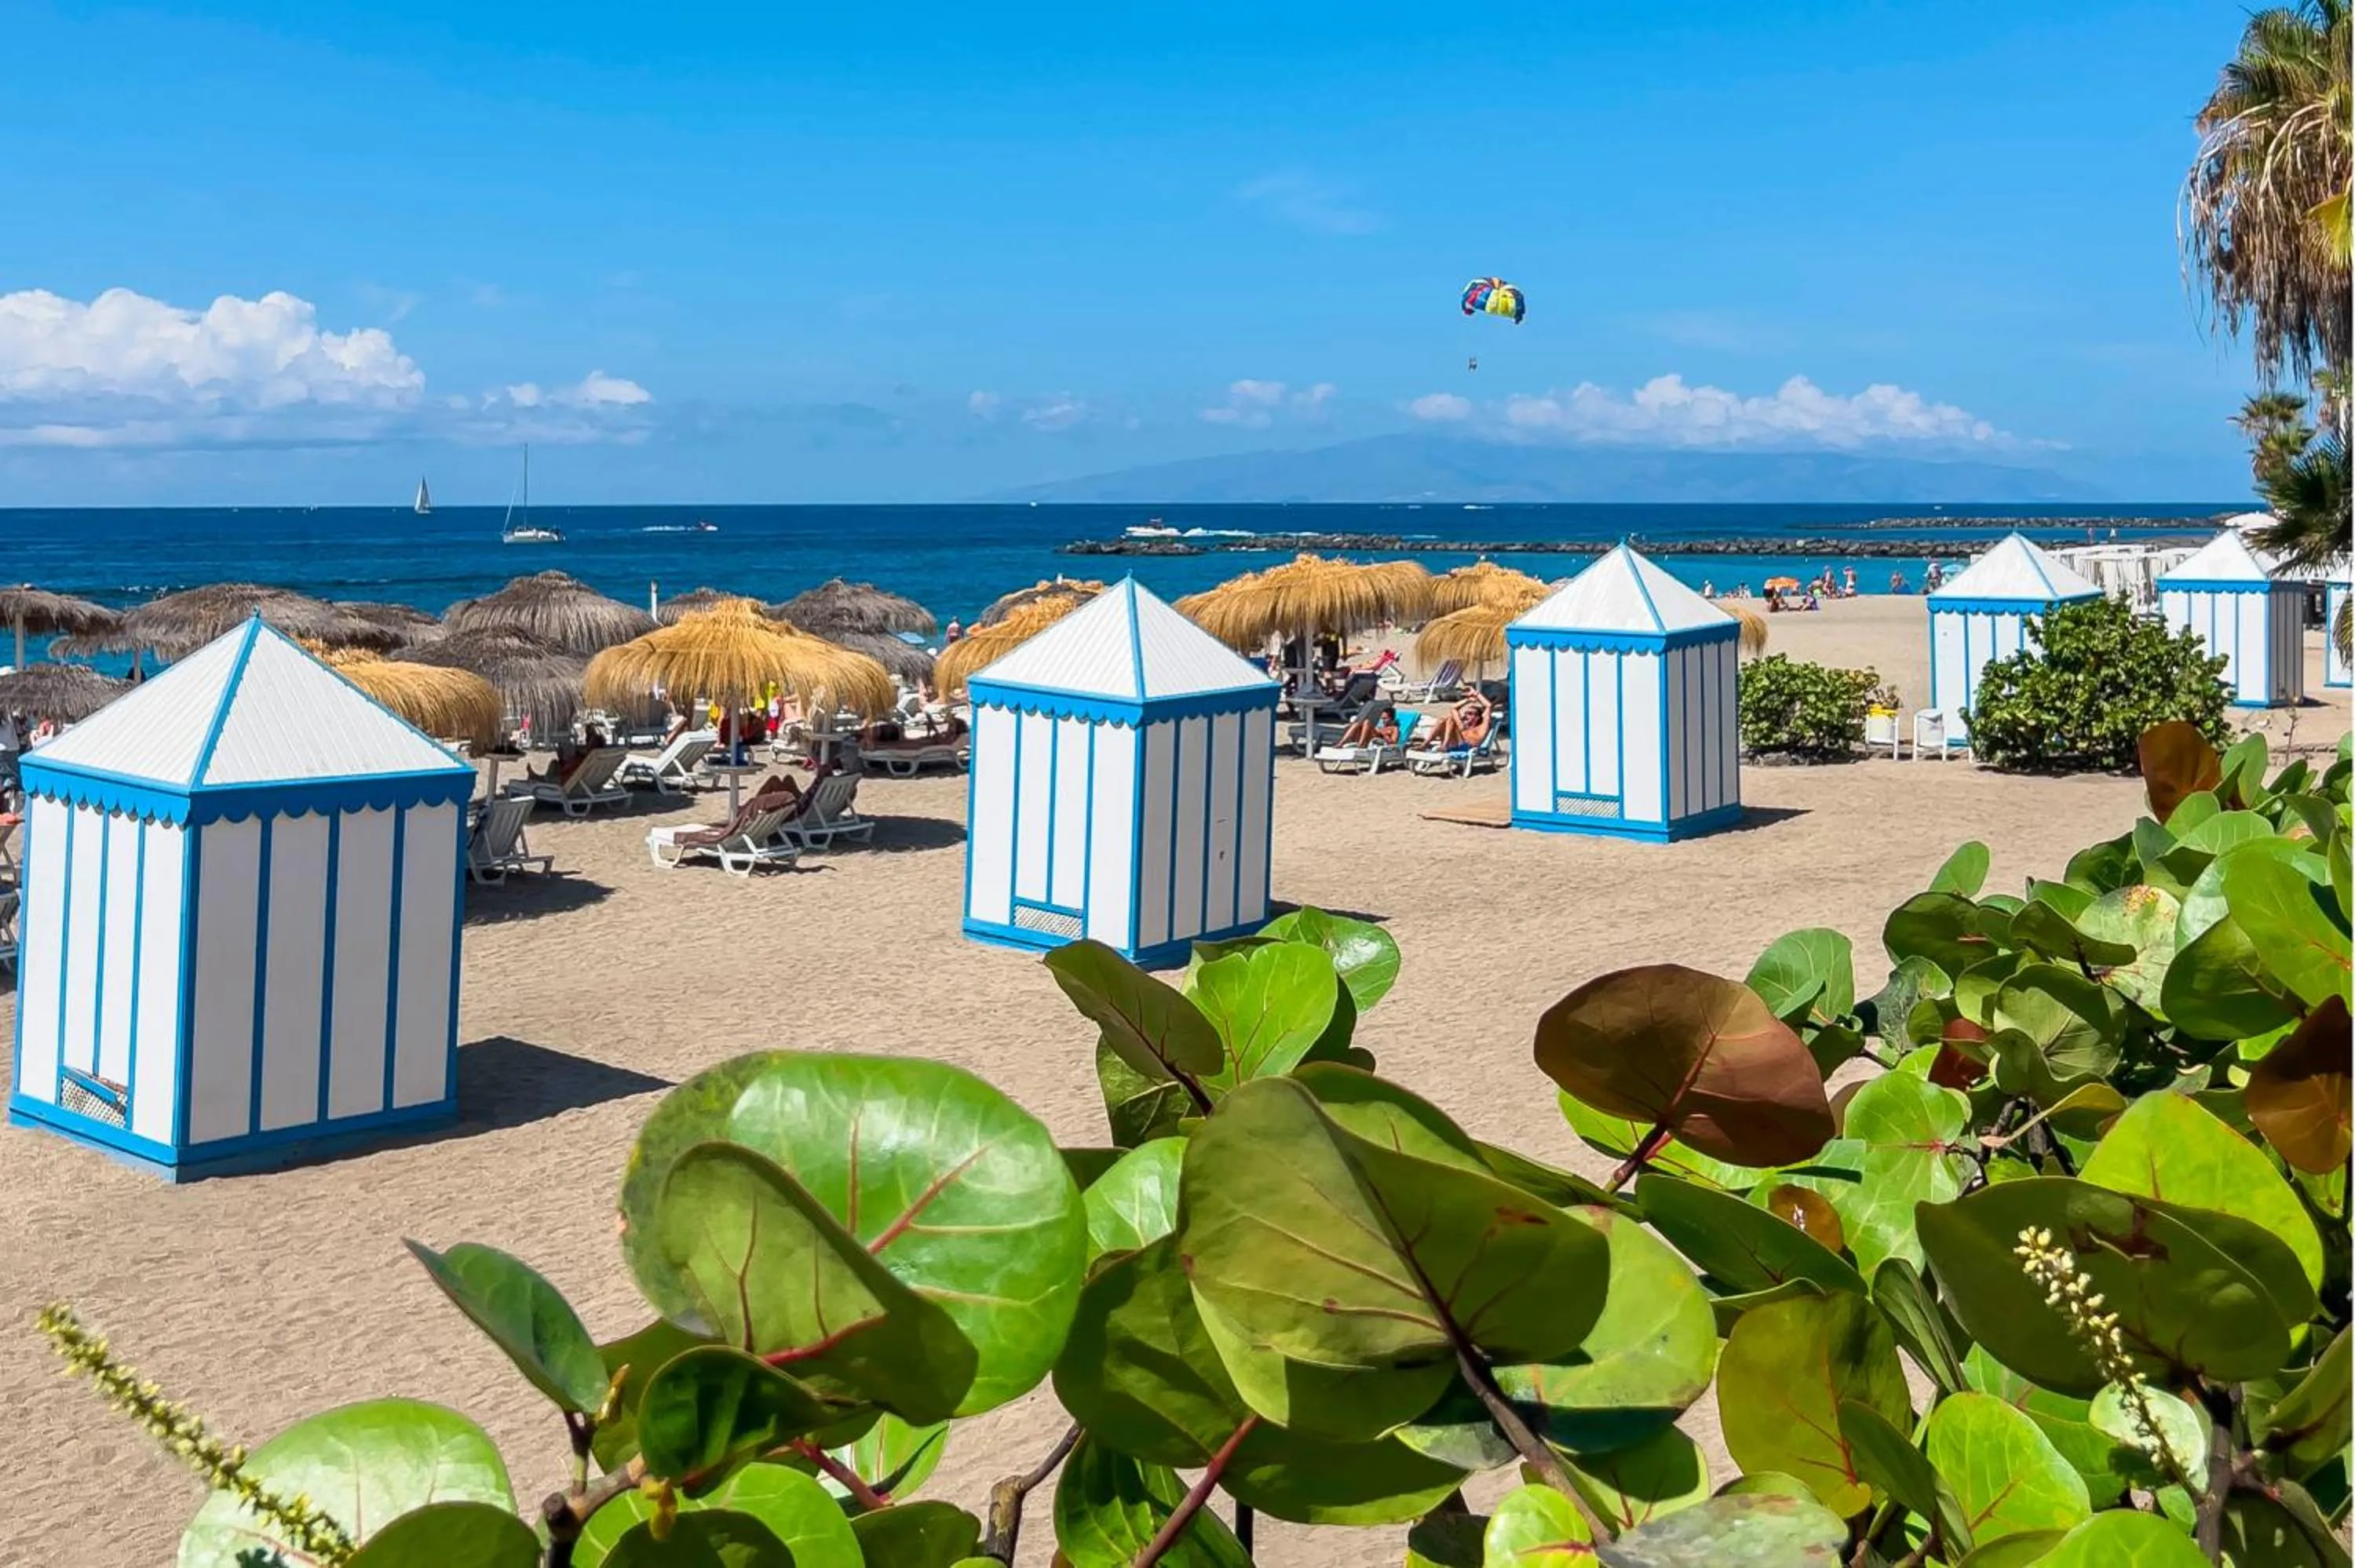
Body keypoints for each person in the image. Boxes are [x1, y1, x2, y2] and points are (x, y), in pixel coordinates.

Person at [1417, 689, 1492, 752]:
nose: (1466, 716)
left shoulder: (1481, 727)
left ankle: (1445, 746)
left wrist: (1477, 694)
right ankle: (1425, 744)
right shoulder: (1463, 727)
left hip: (1466, 747)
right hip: (1454, 743)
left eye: (1469, 714)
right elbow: (1453, 708)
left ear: (1477, 717)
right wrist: (1468, 700)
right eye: (1466, 713)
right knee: (1442, 719)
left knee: (1451, 719)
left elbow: (1488, 706)